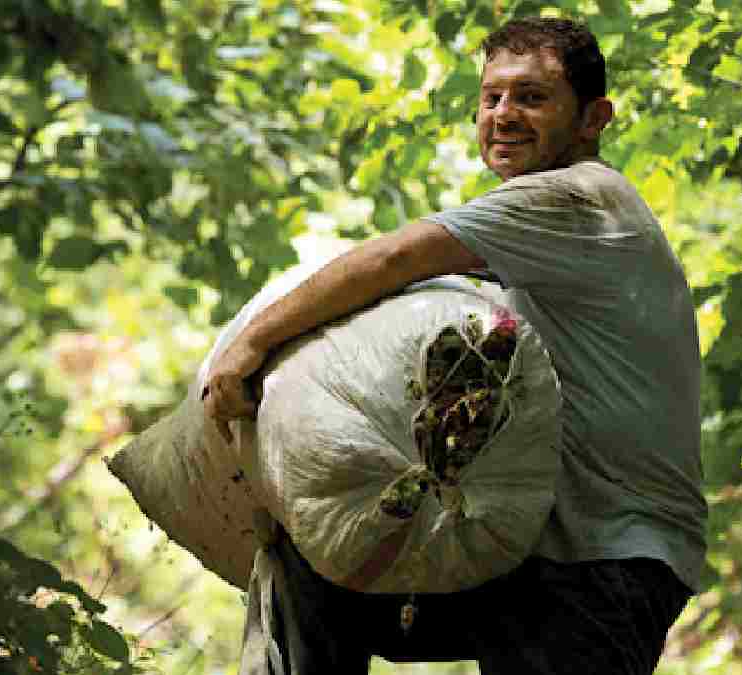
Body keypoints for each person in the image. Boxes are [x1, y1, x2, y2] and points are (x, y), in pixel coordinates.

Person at [204, 16, 706, 675]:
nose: (503, 115)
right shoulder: (545, 234)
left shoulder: (577, 198)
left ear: (593, 119)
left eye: (531, 96)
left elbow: (394, 259)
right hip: (527, 553)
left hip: (602, 562)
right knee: (312, 566)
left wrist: (250, 344)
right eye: (491, 97)